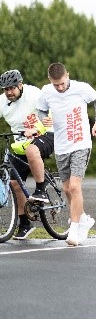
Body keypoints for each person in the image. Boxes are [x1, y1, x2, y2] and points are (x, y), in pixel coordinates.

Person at [36, 62, 96, 246]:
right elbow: (40, 110)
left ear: (68, 76)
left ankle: (74, 230)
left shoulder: (82, 88)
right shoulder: (46, 91)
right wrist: (44, 119)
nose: (60, 87)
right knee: (66, 189)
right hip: (61, 145)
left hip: (81, 143)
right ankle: (83, 219)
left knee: (74, 186)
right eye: (56, 85)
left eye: (62, 83)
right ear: (50, 81)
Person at [0, 69, 55, 239]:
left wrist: (37, 127)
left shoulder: (34, 95)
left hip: (45, 134)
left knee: (32, 150)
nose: (9, 92)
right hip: (19, 142)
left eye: (12, 88)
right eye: (5, 89)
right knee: (14, 183)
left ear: (20, 85)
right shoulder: (2, 101)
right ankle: (25, 224)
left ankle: (40, 190)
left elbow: (50, 115)